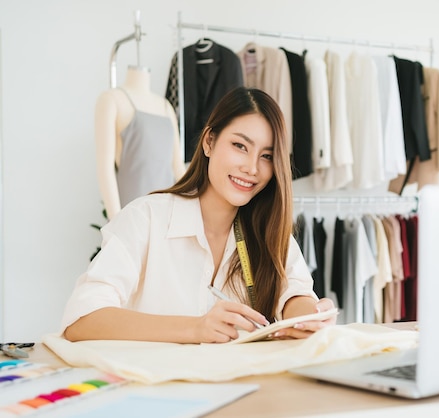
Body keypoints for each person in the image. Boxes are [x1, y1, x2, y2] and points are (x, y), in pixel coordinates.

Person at [64, 87, 336, 343]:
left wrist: (310, 318)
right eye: (240, 146)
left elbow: (294, 294)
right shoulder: (145, 218)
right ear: (209, 142)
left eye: (266, 156)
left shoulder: (270, 232)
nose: (252, 168)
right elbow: (82, 319)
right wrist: (196, 327)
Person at [95, 65, 186, 219]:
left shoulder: (165, 106)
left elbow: (178, 167)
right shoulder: (112, 99)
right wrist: (117, 222)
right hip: (133, 213)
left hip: (168, 213)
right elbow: (105, 168)